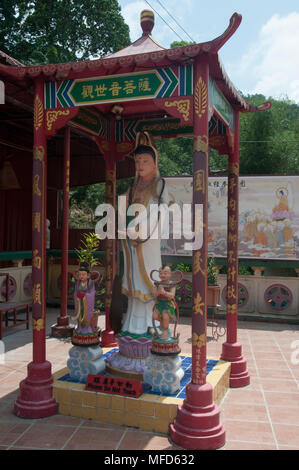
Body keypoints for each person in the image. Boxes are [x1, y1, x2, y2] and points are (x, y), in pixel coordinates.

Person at [119, 132, 171, 336]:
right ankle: (131, 324)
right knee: (132, 281)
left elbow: (162, 212)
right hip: (130, 241)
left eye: (145, 161)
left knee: (149, 279)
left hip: (147, 241)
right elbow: (125, 210)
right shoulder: (133, 187)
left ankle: (152, 323)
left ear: (154, 163)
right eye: (137, 161)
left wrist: (141, 230)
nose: (140, 165)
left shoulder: (160, 185)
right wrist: (124, 223)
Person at [152, 266, 179, 340]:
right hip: (159, 303)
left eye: (165, 273)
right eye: (160, 273)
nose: (162, 275)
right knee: (154, 316)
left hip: (168, 304)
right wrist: (158, 291)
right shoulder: (157, 284)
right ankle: (163, 324)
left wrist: (164, 292)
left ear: (170, 274)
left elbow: (172, 295)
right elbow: (154, 294)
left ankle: (165, 332)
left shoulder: (172, 284)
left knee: (165, 316)